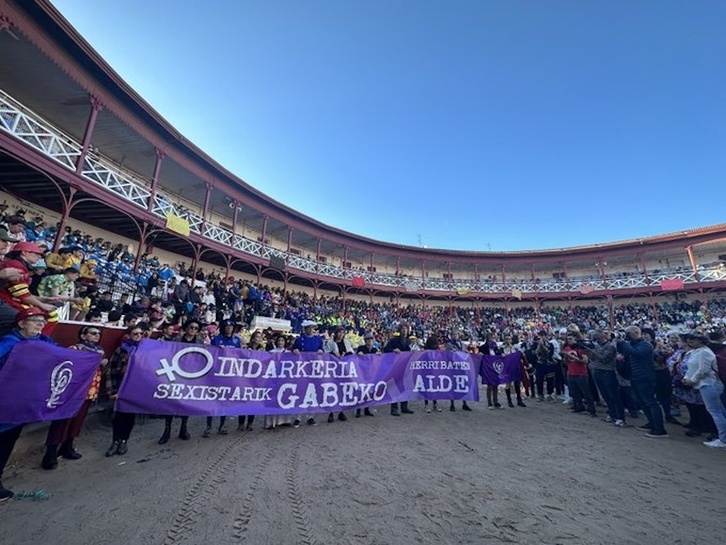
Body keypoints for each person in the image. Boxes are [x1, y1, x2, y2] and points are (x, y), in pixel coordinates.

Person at [0, 308, 55, 501]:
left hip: (20, 405)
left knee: (7, 443)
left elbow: (60, 354)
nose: (40, 324)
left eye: (42, 321)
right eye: (35, 320)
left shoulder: (43, 341)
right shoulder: (10, 342)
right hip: (3, 402)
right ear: (22, 324)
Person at [42, 324, 107, 469]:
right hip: (73, 391)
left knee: (77, 420)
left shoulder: (99, 351)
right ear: (83, 336)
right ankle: (50, 453)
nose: (97, 335)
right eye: (93, 333)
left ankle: (67, 446)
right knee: (62, 420)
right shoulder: (75, 349)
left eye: (98, 333)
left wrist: (103, 363)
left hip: (89, 390)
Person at [617, 326, 668, 438]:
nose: (627, 336)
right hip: (635, 377)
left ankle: (659, 429)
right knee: (641, 401)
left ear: (636, 332)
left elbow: (637, 353)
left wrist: (624, 343)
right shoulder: (633, 344)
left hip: (645, 377)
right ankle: (652, 423)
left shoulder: (645, 345)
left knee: (650, 402)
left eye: (628, 333)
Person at [680, 329, 726, 448]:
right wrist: (687, 378)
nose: (690, 341)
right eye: (689, 339)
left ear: (701, 340)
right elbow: (692, 368)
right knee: (719, 412)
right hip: (706, 384)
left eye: (693, 339)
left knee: (716, 412)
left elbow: (703, 370)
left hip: (709, 384)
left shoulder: (704, 352)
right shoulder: (697, 351)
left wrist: (691, 380)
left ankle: (723, 439)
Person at [105, 325, 145, 457]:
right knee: (118, 416)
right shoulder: (121, 349)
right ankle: (115, 441)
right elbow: (111, 370)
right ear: (129, 335)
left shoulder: (145, 350)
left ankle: (124, 441)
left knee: (130, 416)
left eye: (140, 334)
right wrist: (112, 391)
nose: (138, 336)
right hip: (121, 387)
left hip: (136, 388)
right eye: (135, 334)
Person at [586, 329, 627, 427]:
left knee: (614, 396)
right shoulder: (596, 345)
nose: (595, 338)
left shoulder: (610, 347)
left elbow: (604, 359)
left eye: (597, 336)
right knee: (605, 395)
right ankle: (612, 414)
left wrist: (592, 351)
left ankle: (620, 417)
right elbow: (593, 359)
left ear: (602, 336)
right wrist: (590, 353)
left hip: (608, 373)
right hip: (598, 372)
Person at [323, 326, 354, 423]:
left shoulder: (347, 343)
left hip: (344, 370)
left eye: (342, 332)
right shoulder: (331, 343)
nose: (341, 334)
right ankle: (331, 412)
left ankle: (341, 411)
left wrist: (345, 356)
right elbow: (325, 354)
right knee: (332, 390)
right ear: (336, 333)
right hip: (333, 370)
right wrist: (334, 353)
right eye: (339, 332)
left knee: (342, 390)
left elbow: (351, 354)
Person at [383, 323, 414, 416]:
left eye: (406, 329)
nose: (404, 331)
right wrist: (393, 350)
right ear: (400, 330)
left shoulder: (410, 342)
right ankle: (394, 408)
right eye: (403, 329)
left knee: (405, 387)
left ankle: (404, 406)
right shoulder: (394, 340)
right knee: (394, 387)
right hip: (396, 367)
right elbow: (386, 349)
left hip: (406, 367)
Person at [562, 332, 596, 417]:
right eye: (568, 339)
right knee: (575, 392)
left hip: (581, 373)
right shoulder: (567, 348)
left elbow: (585, 361)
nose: (568, 340)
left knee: (586, 392)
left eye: (570, 339)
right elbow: (566, 362)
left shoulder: (581, 348)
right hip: (571, 372)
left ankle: (591, 409)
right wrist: (566, 357)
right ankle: (579, 406)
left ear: (575, 339)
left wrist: (573, 357)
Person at [355, 333, 378, 417]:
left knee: (369, 391)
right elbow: (356, 358)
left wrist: (379, 356)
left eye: (371, 339)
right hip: (362, 372)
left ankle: (366, 409)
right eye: (368, 339)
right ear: (365, 341)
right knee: (361, 391)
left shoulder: (375, 350)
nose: (370, 341)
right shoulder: (361, 348)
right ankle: (358, 410)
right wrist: (359, 354)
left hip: (371, 373)